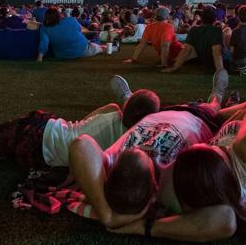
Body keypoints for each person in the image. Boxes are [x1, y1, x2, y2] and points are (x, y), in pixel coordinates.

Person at [108, 94, 246, 241]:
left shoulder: (211, 188)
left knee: (216, 114)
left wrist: (143, 226)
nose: (205, 144)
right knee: (217, 114)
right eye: (205, 147)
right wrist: (233, 119)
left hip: (243, 123)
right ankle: (221, 99)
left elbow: (221, 217)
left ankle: (221, 100)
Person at [69, 72, 228, 229]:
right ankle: (217, 95)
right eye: (148, 156)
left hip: (154, 114)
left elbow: (81, 144)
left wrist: (106, 215)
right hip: (200, 118)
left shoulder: (113, 167)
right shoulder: (172, 185)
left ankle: (128, 98)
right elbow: (225, 217)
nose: (146, 147)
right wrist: (143, 227)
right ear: (154, 190)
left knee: (143, 103)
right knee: (214, 108)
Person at [0, 85, 160, 169]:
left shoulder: (113, 114)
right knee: (10, 141)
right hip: (47, 159)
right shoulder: (132, 147)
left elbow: (107, 111)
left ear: (127, 106)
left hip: (42, 132)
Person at [161, 5, 229, 73]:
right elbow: (216, 53)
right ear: (214, 19)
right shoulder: (216, 31)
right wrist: (220, 71)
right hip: (224, 62)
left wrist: (174, 68)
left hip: (207, 63)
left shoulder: (194, 30)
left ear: (201, 18)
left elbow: (186, 51)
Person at [37, 7, 109, 61]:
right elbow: (80, 30)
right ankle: (114, 47)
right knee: (100, 47)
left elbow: (44, 44)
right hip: (82, 50)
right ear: (59, 15)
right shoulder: (71, 20)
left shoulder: (45, 28)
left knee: (93, 44)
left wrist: (39, 59)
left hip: (61, 55)